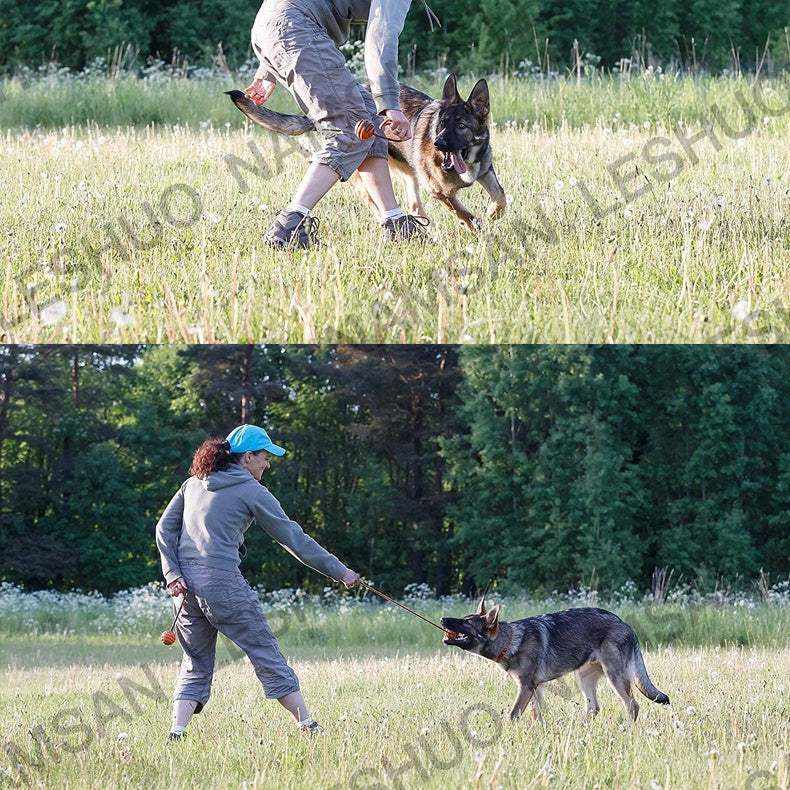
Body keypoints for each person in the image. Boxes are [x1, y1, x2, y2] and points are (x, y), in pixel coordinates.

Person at [155, 424, 360, 740]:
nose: (267, 463)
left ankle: (176, 732)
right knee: (264, 649)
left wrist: (172, 576)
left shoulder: (192, 484)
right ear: (247, 457)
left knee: (195, 661)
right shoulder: (252, 491)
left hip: (184, 592)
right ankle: (307, 725)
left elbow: (163, 529)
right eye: (264, 456)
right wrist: (340, 571)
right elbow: (293, 538)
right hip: (223, 585)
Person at [246, 0, 430, 249]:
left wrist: (267, 70)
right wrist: (390, 105)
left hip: (275, 24)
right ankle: (289, 226)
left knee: (367, 117)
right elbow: (380, 39)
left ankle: (394, 222)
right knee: (348, 130)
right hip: (297, 27)